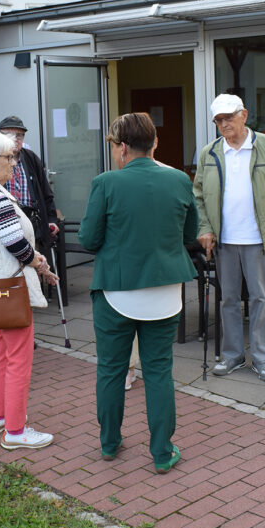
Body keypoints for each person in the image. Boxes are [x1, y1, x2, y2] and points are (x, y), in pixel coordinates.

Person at [78, 112, 198, 474]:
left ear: (123, 147)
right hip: (165, 290)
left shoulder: (106, 183)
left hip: (116, 289)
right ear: (155, 143)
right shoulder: (179, 180)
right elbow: (190, 234)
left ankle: (110, 443)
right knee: (159, 372)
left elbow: (87, 239)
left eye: (114, 145)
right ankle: (162, 451)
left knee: (112, 370)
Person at [194, 94, 265, 383]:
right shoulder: (209, 152)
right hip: (224, 239)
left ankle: (262, 359)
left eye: (228, 117)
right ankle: (233, 355)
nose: (224, 124)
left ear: (244, 115)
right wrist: (205, 227)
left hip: (257, 238)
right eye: (218, 120)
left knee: (260, 299)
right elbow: (198, 194)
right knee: (227, 300)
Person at [0, 132, 58, 451]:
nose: (14, 163)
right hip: (12, 286)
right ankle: (16, 431)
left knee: (2, 353)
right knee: (19, 358)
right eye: (8, 157)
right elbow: (16, 244)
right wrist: (39, 261)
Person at [0, 116, 59, 253]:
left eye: (19, 135)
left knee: (34, 268)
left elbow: (46, 193)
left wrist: (51, 219)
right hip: (6, 226)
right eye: (10, 135)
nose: (15, 139)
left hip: (32, 225)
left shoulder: (30, 158)